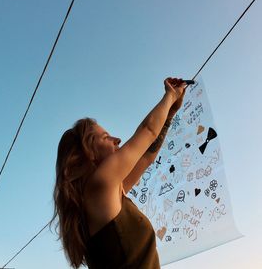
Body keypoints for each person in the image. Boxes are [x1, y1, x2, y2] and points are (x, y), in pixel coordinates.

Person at [51, 77, 187, 268]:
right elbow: (148, 131)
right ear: (87, 152)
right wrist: (170, 96)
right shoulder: (99, 187)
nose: (117, 139)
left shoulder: (109, 192)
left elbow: (146, 157)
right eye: (106, 137)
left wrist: (170, 113)